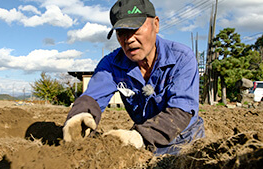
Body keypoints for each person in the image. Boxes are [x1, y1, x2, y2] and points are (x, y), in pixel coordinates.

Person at [63, 0, 205, 155]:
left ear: (156, 25)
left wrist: (138, 136)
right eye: (121, 32)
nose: (128, 39)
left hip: (185, 141)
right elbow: (92, 97)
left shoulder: (181, 58)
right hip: (144, 143)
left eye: (135, 29)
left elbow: (181, 111)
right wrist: (80, 114)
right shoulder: (112, 64)